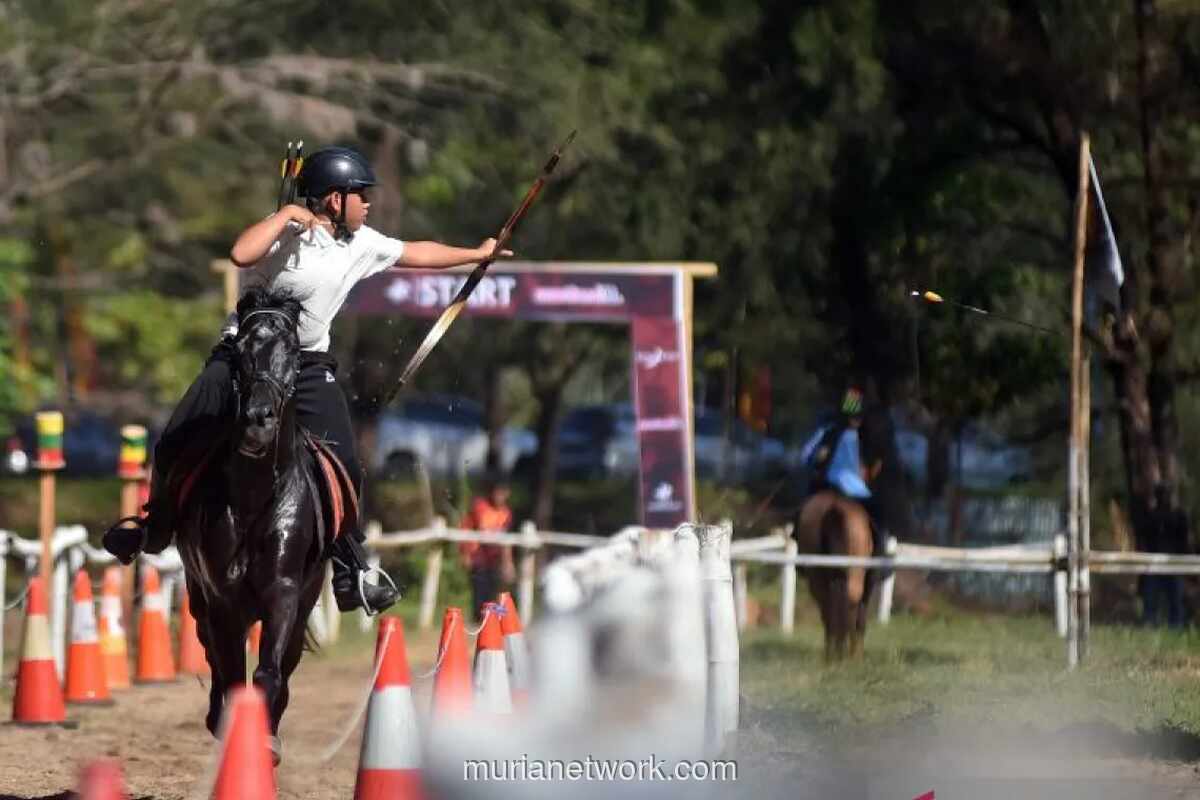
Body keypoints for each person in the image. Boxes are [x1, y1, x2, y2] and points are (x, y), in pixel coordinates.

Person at [103, 145, 511, 614]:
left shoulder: (362, 243)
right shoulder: (285, 231)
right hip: (244, 356)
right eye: (360, 194)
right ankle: (154, 527)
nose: (368, 203)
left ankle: (351, 568)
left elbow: (416, 252)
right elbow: (240, 253)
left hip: (307, 364)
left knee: (346, 459)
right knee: (177, 434)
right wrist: (286, 216)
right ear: (335, 199)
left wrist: (478, 253)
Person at [798, 387, 888, 562]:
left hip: (824, 483)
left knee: (802, 509)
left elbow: (805, 457)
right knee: (879, 515)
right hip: (853, 487)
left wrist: (816, 461)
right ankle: (880, 553)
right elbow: (874, 463)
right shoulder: (862, 435)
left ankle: (796, 539)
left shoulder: (826, 430)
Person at [458, 476, 516, 621]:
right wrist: (465, 554)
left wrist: (508, 562)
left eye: (503, 493)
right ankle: (479, 620)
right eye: (497, 492)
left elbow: (505, 538)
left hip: (494, 557)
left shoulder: (506, 513)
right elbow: (478, 530)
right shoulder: (481, 507)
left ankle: (493, 619)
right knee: (480, 589)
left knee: (494, 590)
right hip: (477, 555)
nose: (499, 496)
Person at [1141, 483, 1190, 629]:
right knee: (1151, 600)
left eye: (1166, 495)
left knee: (1175, 600)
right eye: (1161, 495)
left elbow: (1184, 538)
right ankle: (1150, 625)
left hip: (1173, 563)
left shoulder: (1179, 515)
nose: (1164, 498)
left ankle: (1175, 627)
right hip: (1154, 563)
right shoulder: (1152, 516)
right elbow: (1145, 537)